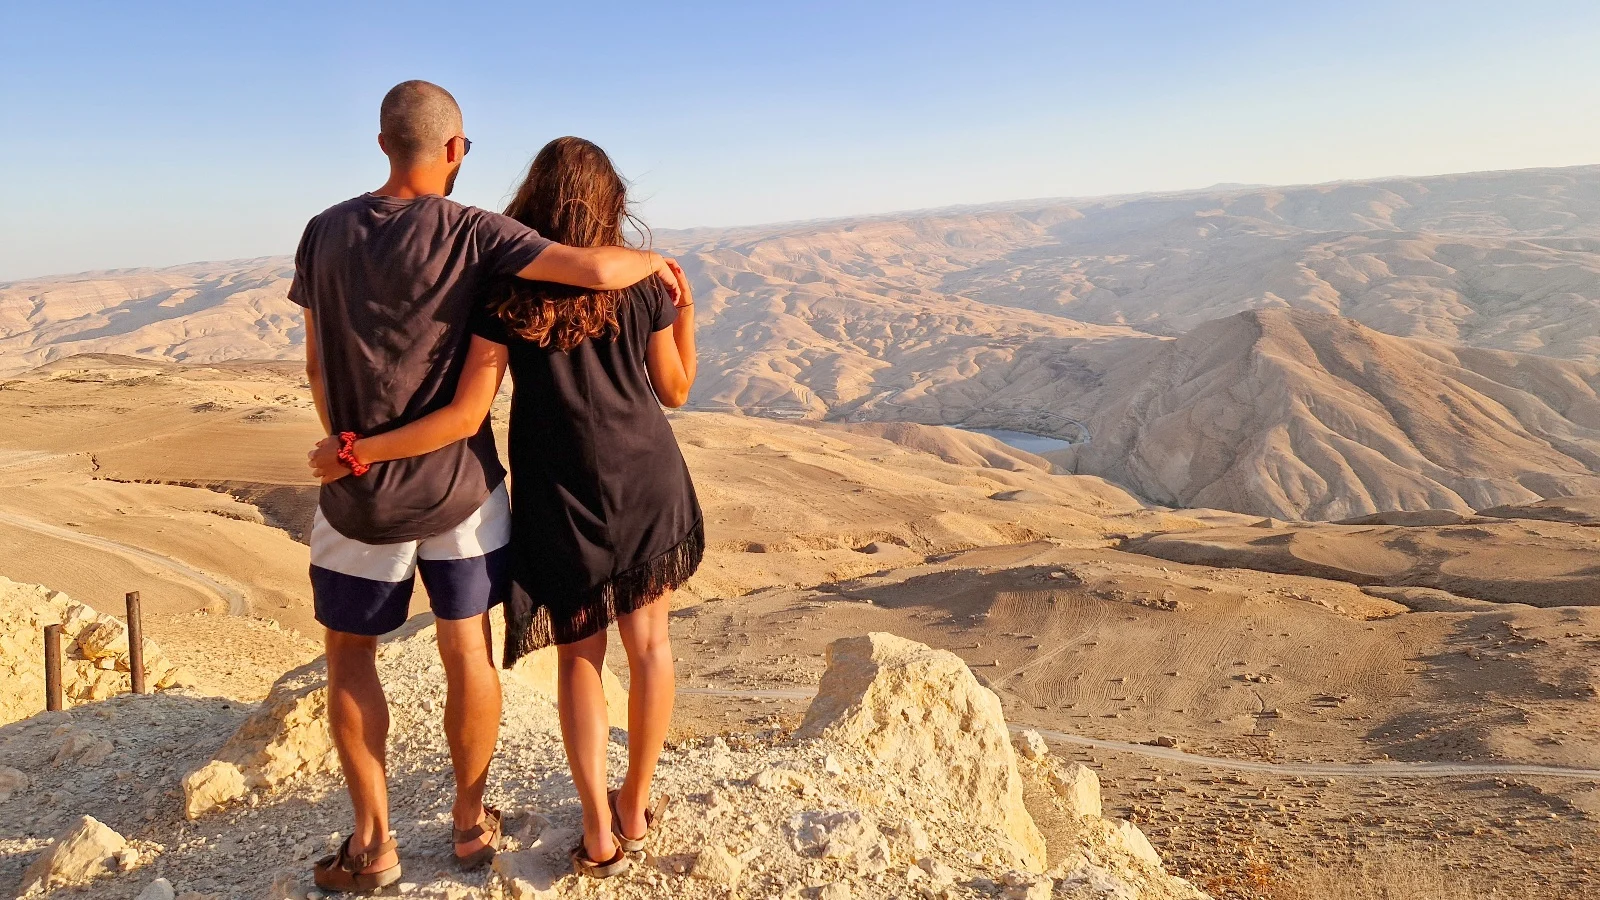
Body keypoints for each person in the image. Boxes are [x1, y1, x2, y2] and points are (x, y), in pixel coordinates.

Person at [293, 83, 678, 893]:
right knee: (467, 649)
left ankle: (373, 843)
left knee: (349, 656)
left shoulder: (323, 233)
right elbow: (600, 270)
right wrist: (660, 264)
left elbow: (318, 364)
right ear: (455, 149)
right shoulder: (473, 232)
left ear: (382, 142)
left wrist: (349, 449)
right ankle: (470, 825)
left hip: (360, 496)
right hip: (463, 492)